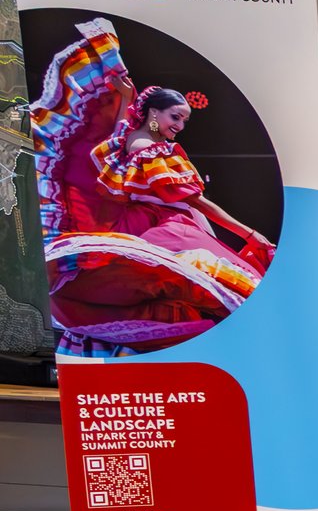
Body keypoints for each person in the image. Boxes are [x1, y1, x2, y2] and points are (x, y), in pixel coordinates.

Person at [28, 22, 276, 355]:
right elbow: (198, 202)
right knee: (228, 289)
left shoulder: (131, 140)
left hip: (147, 222)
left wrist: (125, 99)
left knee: (184, 292)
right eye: (175, 117)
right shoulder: (153, 149)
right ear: (154, 113)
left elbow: (116, 129)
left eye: (184, 120)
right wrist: (249, 234)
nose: (180, 126)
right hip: (164, 225)